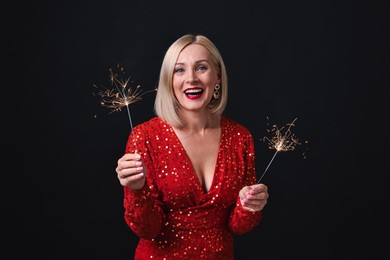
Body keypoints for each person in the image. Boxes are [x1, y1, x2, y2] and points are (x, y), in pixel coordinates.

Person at [115, 34, 269, 259]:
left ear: (217, 76)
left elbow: (238, 227)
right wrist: (136, 190)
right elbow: (147, 229)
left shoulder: (239, 137)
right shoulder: (144, 136)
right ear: (169, 80)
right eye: (179, 70)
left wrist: (250, 206)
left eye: (201, 68)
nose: (191, 79)